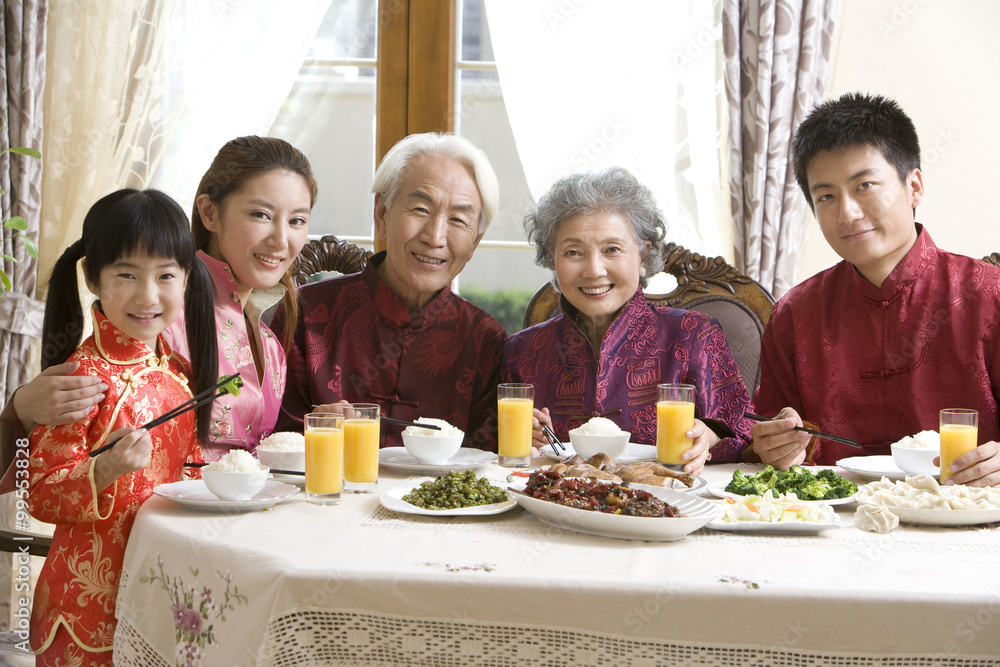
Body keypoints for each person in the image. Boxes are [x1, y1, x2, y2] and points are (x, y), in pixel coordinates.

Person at [2, 136, 317, 466]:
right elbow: (71, 454)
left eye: (297, 220)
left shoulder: (269, 340)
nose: (281, 239)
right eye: (261, 214)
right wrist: (21, 407)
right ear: (209, 212)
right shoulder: (157, 315)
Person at [750, 92, 1000, 486]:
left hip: (968, 526)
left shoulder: (989, 297)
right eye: (826, 196)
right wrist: (773, 444)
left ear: (914, 186)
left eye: (864, 185)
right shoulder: (795, 314)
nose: (847, 212)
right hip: (831, 527)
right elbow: (767, 436)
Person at [27, 189, 218, 665]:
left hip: (163, 594)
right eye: (126, 274)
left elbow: (188, 474)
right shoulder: (78, 381)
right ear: (93, 277)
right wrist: (107, 467)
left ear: (187, 278)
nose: (147, 296)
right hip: (86, 609)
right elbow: (41, 492)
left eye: (166, 275)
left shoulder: (177, 371)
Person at [501, 167, 753, 474]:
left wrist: (710, 438)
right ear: (551, 258)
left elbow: (748, 436)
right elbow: (490, 451)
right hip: (555, 507)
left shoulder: (694, 335)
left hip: (663, 508)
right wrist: (516, 437)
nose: (594, 270)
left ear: (643, 256)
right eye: (572, 252)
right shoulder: (521, 351)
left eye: (612, 249)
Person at [274, 132, 506, 449]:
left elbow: (490, 464)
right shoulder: (304, 315)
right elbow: (262, 442)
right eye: (420, 210)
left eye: (458, 219)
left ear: (475, 243)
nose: (435, 237)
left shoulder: (486, 340)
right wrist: (312, 432)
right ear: (381, 215)